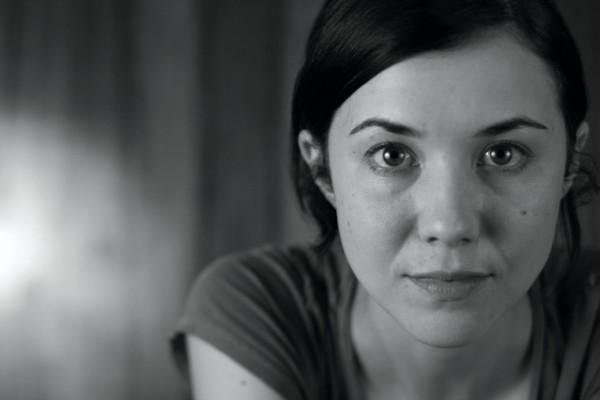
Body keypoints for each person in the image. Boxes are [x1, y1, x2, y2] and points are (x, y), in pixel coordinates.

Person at [171, 0, 600, 398]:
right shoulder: (260, 311)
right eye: (392, 155)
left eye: (503, 154)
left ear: (570, 160)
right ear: (321, 167)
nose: (448, 226)